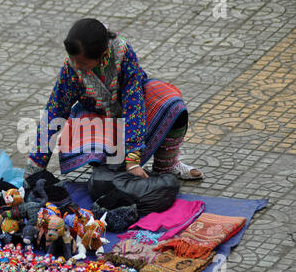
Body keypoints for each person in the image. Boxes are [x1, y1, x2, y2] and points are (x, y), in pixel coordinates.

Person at [24, 18, 203, 183]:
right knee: (109, 166)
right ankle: (111, 164)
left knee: (173, 106)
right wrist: (36, 166)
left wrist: (133, 159)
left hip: (133, 111)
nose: (76, 66)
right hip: (98, 118)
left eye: (83, 63)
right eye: (72, 60)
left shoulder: (123, 54)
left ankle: (166, 165)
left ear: (102, 55)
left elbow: (134, 105)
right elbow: (55, 110)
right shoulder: (71, 69)